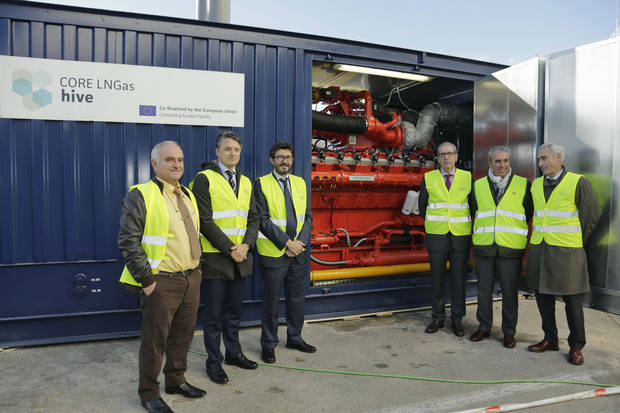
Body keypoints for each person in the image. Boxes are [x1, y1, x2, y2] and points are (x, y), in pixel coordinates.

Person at [118, 141, 205, 413]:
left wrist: (197, 271)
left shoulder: (188, 194)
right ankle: (149, 393)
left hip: (190, 277)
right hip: (160, 282)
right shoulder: (142, 194)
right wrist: (147, 281)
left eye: (179, 159)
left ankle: (176, 380)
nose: (177, 164)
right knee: (154, 342)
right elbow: (128, 241)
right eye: (169, 160)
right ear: (155, 164)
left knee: (183, 336)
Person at [190, 131, 259, 384]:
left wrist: (247, 246)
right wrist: (232, 248)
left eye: (236, 150)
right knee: (214, 315)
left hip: (241, 258)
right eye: (227, 149)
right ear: (217, 152)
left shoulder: (247, 182)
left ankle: (234, 353)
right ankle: (214, 362)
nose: (232, 153)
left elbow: (254, 218)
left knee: (233, 312)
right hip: (217, 258)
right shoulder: (203, 179)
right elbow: (204, 221)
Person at [526, 142, 599, 365]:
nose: (541, 164)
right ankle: (550, 338)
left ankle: (577, 346)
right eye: (539, 159)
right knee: (542, 296)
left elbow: (590, 217)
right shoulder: (536, 185)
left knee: (572, 299)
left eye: (545, 158)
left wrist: (575, 241)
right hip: (541, 248)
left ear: (559, 157)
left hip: (568, 251)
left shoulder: (578, 182)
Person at [254, 142, 315, 364]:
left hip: (298, 252)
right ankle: (268, 344)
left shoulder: (300, 183)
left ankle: (295, 337)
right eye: (280, 157)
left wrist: (299, 243)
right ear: (272, 160)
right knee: (270, 301)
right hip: (274, 253)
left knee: (297, 298)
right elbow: (262, 220)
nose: (284, 161)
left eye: (288, 157)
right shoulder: (261, 184)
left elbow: (308, 217)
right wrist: (287, 243)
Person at [469, 146, 533, 348]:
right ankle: (484, 327)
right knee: (483, 291)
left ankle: (508, 332)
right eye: (498, 161)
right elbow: (474, 211)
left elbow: (528, 212)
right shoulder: (478, 186)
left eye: (506, 160)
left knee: (509, 292)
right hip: (485, 248)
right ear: (490, 163)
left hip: (510, 248)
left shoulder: (524, 185)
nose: (502, 165)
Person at [418, 141, 473, 337]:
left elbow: (473, 207)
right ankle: (438, 317)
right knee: (437, 279)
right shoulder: (429, 178)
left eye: (450, 154)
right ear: (438, 158)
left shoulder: (468, 178)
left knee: (459, 280)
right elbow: (422, 206)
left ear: (457, 156)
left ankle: (457, 319)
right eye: (442, 154)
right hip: (437, 236)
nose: (446, 157)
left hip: (460, 236)